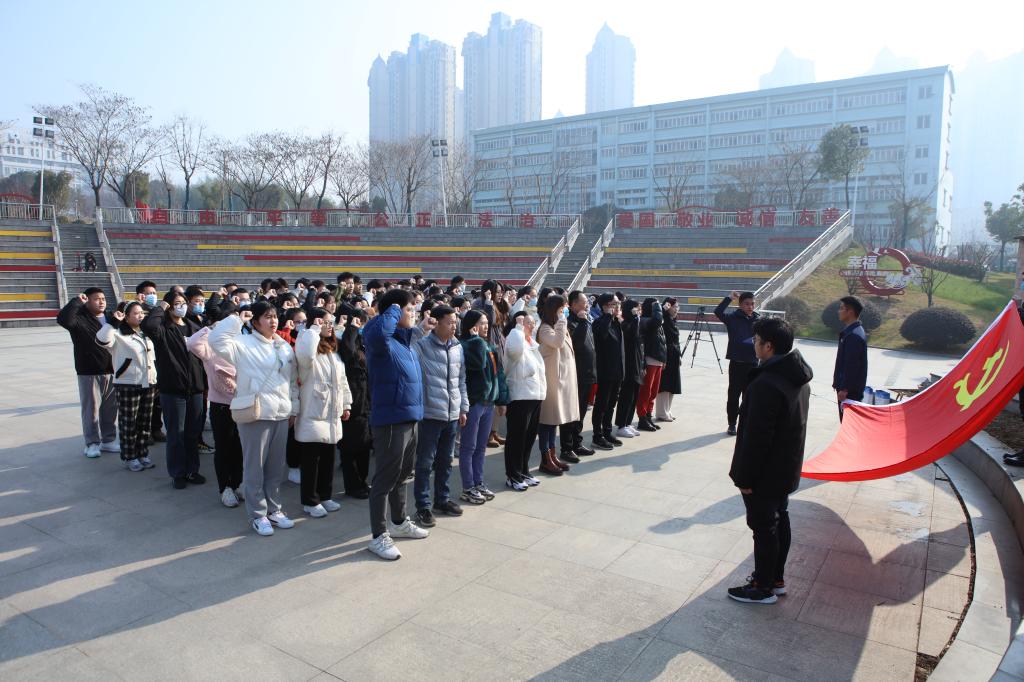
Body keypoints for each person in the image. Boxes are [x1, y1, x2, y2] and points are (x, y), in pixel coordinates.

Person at [727, 317, 812, 605]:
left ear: (769, 346)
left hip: (764, 473)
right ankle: (775, 579)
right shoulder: (796, 377)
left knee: (764, 529)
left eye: (756, 340)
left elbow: (756, 438)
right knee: (778, 521)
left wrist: (745, 478)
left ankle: (762, 587)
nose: (754, 344)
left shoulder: (766, 384)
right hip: (784, 468)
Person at [209, 301, 298, 536]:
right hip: (255, 413)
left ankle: (275, 509)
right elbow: (215, 340)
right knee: (254, 468)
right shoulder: (242, 343)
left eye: (275, 316)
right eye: (267, 316)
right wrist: (237, 318)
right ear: (256, 321)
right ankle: (258, 514)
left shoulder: (283, 346)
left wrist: (294, 408)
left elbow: (291, 381)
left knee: (275, 467)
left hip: (281, 413)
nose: (273, 320)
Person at [363, 289, 430, 561]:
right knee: (384, 479)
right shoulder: (380, 340)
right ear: (393, 312)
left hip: (410, 417)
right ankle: (379, 535)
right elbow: (378, 333)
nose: (413, 313)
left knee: (403, 474)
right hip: (391, 420)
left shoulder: (404, 342)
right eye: (409, 309)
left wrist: (415, 321)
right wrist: (393, 306)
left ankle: (399, 522)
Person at [142, 291, 207, 488]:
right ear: (169, 306)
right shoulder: (163, 329)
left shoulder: (194, 327)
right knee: (176, 434)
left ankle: (192, 470)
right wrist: (161, 307)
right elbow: (148, 326)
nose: (182, 306)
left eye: (183, 303)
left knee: (192, 432)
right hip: (173, 388)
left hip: (195, 388)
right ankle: (178, 473)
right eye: (177, 303)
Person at [411, 305, 468, 527]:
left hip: (452, 414)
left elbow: (461, 379)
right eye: (450, 322)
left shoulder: (457, 346)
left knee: (446, 461)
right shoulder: (423, 345)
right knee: (425, 463)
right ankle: (423, 506)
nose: (454, 326)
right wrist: (420, 329)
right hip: (430, 414)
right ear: (437, 323)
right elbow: (407, 349)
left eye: (455, 322)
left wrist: (463, 407)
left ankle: (442, 500)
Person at [294, 310, 352, 518]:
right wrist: (313, 330)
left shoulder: (332, 352)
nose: (328, 326)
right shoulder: (306, 344)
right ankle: (310, 501)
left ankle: (325, 496)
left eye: (330, 322)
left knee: (328, 458)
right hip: (313, 412)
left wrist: (346, 404)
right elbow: (305, 356)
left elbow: (342, 381)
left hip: (331, 414)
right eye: (324, 322)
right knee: (311, 461)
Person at [186, 303, 244, 508]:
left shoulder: (240, 343)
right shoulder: (210, 346)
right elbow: (192, 343)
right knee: (224, 448)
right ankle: (225, 487)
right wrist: (211, 328)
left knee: (240, 447)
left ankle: (238, 483)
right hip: (221, 406)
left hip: (242, 404)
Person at [57, 288, 118, 458]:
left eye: (103, 298)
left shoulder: (110, 317)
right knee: (91, 410)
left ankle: (109, 440)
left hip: (112, 370)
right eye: (96, 299)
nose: (101, 301)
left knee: (110, 409)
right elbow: (63, 319)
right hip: (89, 371)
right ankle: (92, 443)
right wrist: (76, 301)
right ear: (87, 301)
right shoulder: (79, 319)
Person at [96, 301, 157, 471]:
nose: (140, 316)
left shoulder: (145, 333)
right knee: (129, 423)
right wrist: (112, 323)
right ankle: (130, 456)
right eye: (136, 313)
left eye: (142, 313)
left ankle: (143, 453)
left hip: (148, 382)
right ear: (126, 316)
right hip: (128, 383)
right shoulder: (117, 333)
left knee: (144, 422)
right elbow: (101, 340)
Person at [458, 310, 507, 503]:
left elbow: (499, 374)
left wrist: (501, 399)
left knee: (480, 447)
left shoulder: (489, 346)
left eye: (487, 322)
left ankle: (478, 482)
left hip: (489, 403)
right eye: (482, 322)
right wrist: (476, 339)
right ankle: (467, 487)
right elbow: (477, 364)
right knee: (468, 447)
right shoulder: (466, 345)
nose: (486, 326)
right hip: (474, 402)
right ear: (472, 325)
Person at [502, 312, 546, 490]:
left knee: (529, 437)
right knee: (517, 437)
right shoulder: (515, 339)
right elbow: (514, 351)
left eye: (533, 322)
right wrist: (518, 327)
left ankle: (523, 470)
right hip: (520, 397)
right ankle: (513, 475)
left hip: (534, 396)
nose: (532, 325)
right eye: (527, 322)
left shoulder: (532, 344)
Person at [537, 295, 578, 476]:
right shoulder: (545, 328)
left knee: (554, 422)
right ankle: (545, 459)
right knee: (547, 422)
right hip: (551, 382)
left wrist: (562, 323)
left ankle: (552, 456)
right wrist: (562, 321)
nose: (564, 312)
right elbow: (557, 342)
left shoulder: (560, 326)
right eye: (562, 309)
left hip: (561, 381)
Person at [337, 305, 372, 498]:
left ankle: (362, 482)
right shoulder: (344, 339)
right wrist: (351, 328)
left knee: (364, 447)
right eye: (359, 322)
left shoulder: (364, 343)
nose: (361, 326)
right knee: (351, 447)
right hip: (351, 404)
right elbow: (348, 353)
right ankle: (353, 486)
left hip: (365, 404)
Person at [715, 291, 760, 436]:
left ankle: (745, 423)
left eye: (752, 304)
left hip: (753, 364)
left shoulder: (758, 320)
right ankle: (732, 424)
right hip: (737, 363)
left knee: (749, 397)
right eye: (747, 304)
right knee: (733, 396)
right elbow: (718, 312)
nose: (750, 307)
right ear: (740, 305)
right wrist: (729, 298)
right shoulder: (733, 318)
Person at [561, 290, 596, 461]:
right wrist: (582, 322)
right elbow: (578, 343)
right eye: (583, 302)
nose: (587, 304)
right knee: (571, 413)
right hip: (576, 375)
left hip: (587, 373)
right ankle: (566, 448)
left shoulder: (585, 320)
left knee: (581, 412)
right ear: (573, 304)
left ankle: (577, 443)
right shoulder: (570, 322)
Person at [592, 293, 625, 448]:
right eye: (614, 304)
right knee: (601, 405)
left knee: (611, 404)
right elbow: (602, 336)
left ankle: (607, 432)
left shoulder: (616, 322)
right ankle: (597, 436)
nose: (618, 306)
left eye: (618, 303)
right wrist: (606, 316)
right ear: (605, 306)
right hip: (605, 371)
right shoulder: (599, 322)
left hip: (617, 371)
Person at [832, 296, 868, 421]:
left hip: (849, 392)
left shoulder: (853, 336)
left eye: (842, 308)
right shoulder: (852, 332)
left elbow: (851, 365)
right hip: (848, 389)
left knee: (848, 423)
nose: (839, 311)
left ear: (850, 312)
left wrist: (844, 389)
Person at [613, 299, 644, 441]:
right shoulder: (625, 323)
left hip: (637, 363)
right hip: (628, 365)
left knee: (634, 395)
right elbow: (632, 333)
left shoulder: (635, 322)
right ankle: (621, 425)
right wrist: (635, 318)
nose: (638, 312)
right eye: (636, 309)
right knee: (626, 395)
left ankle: (628, 422)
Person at [636, 298, 667, 432]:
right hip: (649, 359)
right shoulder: (644, 320)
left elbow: (663, 342)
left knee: (653, 392)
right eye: (655, 305)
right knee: (646, 392)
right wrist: (657, 307)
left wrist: (664, 359)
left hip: (658, 360)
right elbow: (657, 321)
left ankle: (648, 415)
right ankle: (642, 418)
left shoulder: (655, 321)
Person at [656, 298, 682, 422]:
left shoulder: (673, 320)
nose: (677, 309)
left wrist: (679, 355)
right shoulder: (663, 320)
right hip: (666, 355)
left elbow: (676, 340)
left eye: (678, 307)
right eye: (674, 307)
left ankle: (668, 410)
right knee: (665, 384)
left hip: (674, 355)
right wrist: (663, 309)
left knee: (673, 384)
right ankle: (662, 412)